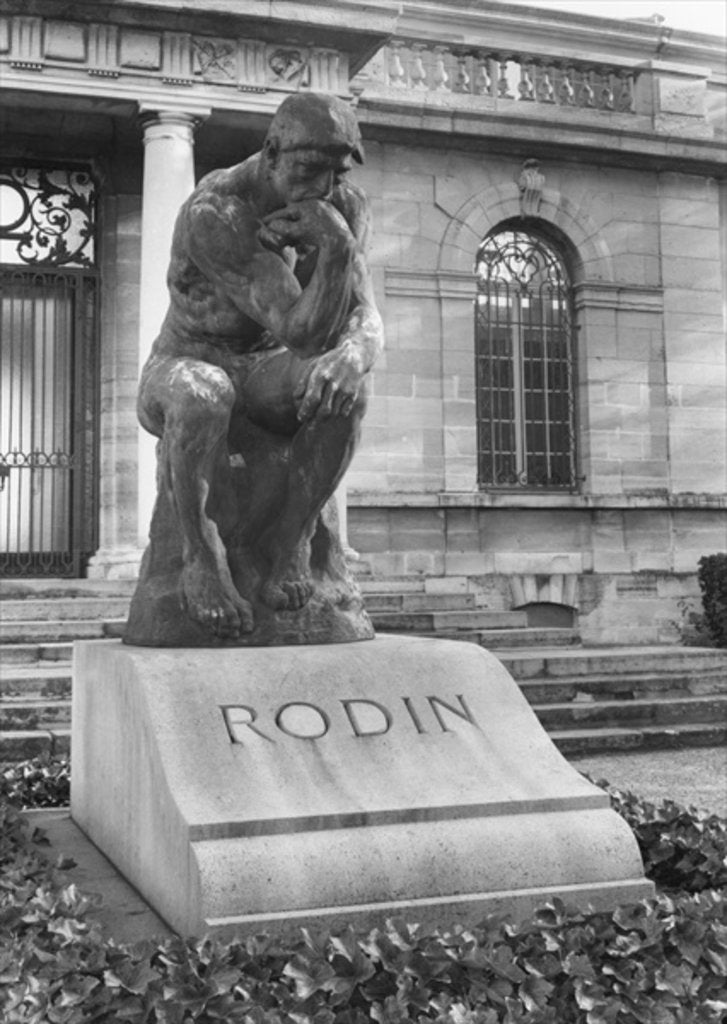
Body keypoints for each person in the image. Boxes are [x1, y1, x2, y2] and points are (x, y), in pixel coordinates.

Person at [137, 93, 383, 640]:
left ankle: (293, 541)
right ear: (272, 152)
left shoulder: (344, 204)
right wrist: (335, 251)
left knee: (348, 389)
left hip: (267, 370)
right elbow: (301, 329)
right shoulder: (216, 212)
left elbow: (364, 315)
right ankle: (202, 558)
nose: (323, 186)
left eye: (336, 171)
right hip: (187, 362)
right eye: (309, 168)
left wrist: (354, 355)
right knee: (203, 394)